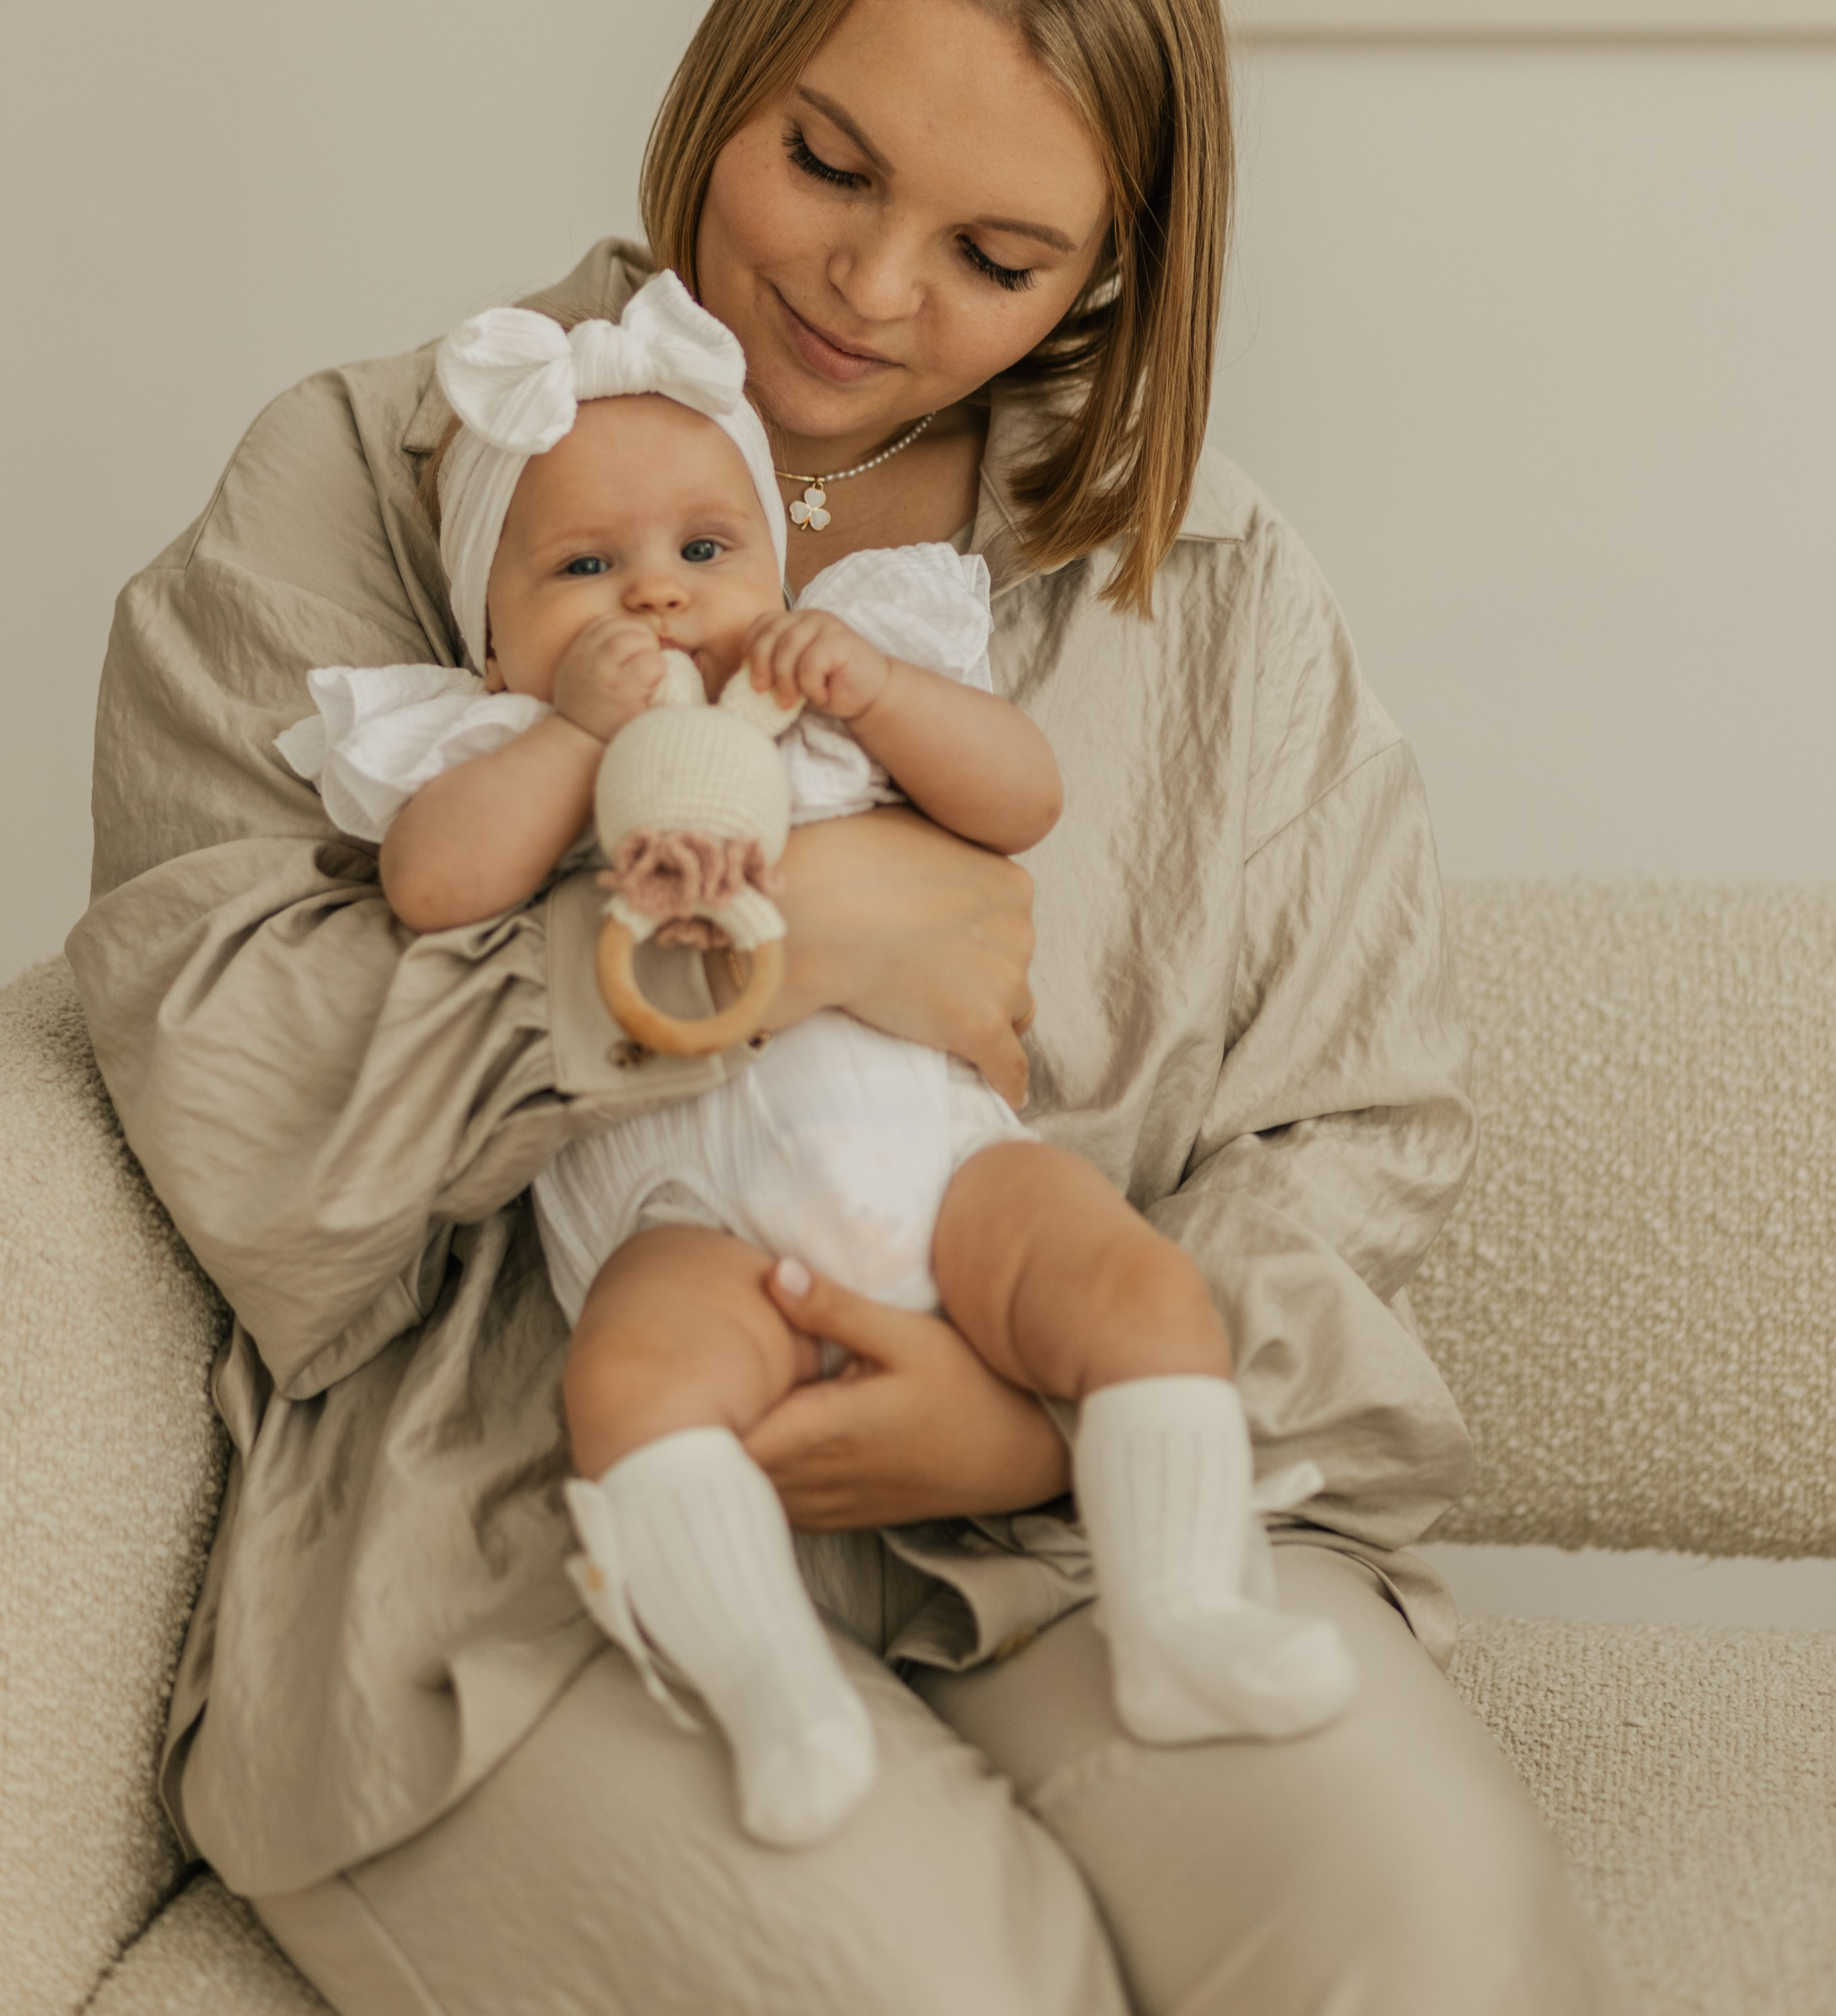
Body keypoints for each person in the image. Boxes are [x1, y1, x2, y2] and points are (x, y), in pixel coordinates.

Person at [69, 0, 1627, 2011]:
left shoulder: (1215, 591)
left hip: (1089, 1497)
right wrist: (791, 949)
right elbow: (234, 1084)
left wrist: (1048, 1417)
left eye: (1000, 258)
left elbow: (1352, 1126)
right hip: (540, 1512)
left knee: (1429, 1943)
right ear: (732, 69)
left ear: (1112, 270)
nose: (873, 291)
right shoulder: (379, 468)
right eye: (826, 162)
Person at [277, 265, 1358, 1852]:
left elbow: (1020, 799)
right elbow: (433, 887)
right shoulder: (497, 743)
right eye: (583, 567)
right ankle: (769, 1687)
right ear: (491, 643)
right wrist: (573, 736)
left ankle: (1183, 1614)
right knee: (631, 1384)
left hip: (934, 1168)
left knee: (1131, 1288)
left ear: (774, 564)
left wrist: (890, 696)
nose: (654, 596)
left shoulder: (829, 689)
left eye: (703, 550)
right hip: (680, 1221)